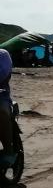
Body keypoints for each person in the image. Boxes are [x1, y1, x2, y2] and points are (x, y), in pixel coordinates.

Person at [0, 49, 18, 181]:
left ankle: (8, 151)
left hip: (1, 95)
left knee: (2, 111)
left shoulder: (3, 55)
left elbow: (4, 73)